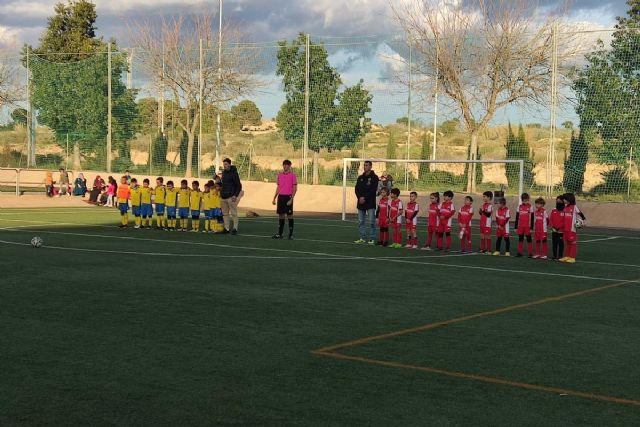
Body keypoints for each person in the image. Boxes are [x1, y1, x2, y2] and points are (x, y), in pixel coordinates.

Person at [354, 160, 379, 244]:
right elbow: (356, 189)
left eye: (367, 165)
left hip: (370, 203)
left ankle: (372, 238)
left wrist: (364, 198)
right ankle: (362, 238)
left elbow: (373, 190)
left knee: (372, 221)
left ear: (371, 166)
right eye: (364, 165)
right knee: (361, 222)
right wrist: (359, 198)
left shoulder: (375, 177)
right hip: (360, 203)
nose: (365, 167)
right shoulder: (360, 177)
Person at [272, 159, 298, 240]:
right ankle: (280, 234)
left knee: (289, 215)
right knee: (281, 215)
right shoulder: (279, 175)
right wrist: (274, 198)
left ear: (290, 166)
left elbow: (295, 188)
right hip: (281, 197)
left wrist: (291, 199)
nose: (285, 166)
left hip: (288, 197)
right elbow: (278, 187)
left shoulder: (293, 176)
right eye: (284, 164)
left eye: (287, 165)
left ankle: (290, 235)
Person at [560, 192, 586, 263]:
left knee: (573, 243)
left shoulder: (574, 207)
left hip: (572, 229)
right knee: (567, 242)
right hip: (566, 228)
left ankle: (572, 257)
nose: (563, 200)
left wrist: (583, 221)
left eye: (565, 199)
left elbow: (580, 213)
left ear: (569, 199)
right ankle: (567, 256)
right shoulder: (565, 207)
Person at [220, 158, 242, 235]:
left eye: (226, 164)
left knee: (233, 213)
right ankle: (226, 228)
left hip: (231, 196)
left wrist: (235, 195)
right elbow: (222, 184)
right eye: (224, 164)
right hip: (223, 196)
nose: (224, 166)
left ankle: (235, 228)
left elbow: (239, 185)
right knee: (225, 213)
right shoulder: (223, 173)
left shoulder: (234, 173)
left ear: (229, 164)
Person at [515, 193, 534, 258]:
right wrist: (515, 227)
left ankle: (530, 253)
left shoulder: (530, 206)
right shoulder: (519, 206)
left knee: (529, 239)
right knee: (520, 239)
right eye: (524, 200)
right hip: (520, 226)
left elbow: (532, 218)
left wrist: (531, 228)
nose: (526, 202)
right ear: (522, 200)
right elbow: (517, 217)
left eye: (527, 200)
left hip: (527, 226)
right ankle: (519, 252)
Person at [549, 196, 565, 260]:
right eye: (557, 201)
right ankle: (554, 256)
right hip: (554, 230)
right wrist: (552, 226)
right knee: (554, 243)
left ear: (562, 201)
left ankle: (560, 256)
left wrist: (559, 227)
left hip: (561, 231)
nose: (558, 202)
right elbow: (551, 219)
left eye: (559, 201)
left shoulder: (565, 211)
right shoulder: (553, 210)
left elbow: (565, 221)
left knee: (560, 243)